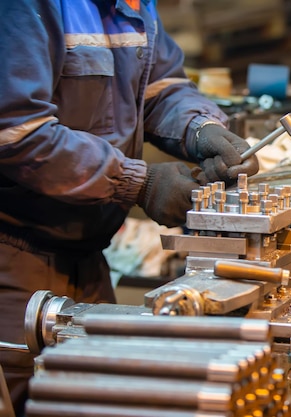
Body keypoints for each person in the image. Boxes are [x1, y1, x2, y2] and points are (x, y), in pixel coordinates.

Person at [0, 0, 259, 414]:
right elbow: (17, 132)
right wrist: (139, 183)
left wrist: (200, 127)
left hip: (86, 254)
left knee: (96, 397)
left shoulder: (132, 6)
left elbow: (160, 88)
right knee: (31, 399)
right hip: (15, 259)